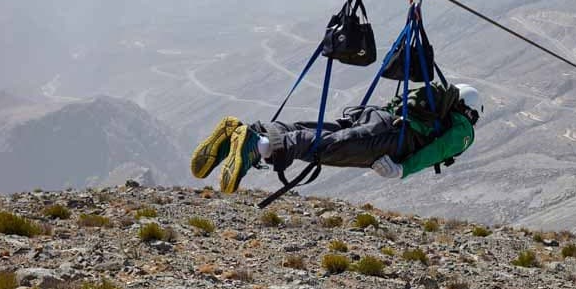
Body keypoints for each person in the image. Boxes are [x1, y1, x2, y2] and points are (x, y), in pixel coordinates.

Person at [190, 83, 482, 193]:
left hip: (374, 116)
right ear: (471, 111)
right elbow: (438, 150)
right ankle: (258, 146)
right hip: (389, 138)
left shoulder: (436, 109)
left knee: (316, 132)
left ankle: (244, 132)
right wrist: (402, 170)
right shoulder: (462, 130)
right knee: (324, 149)